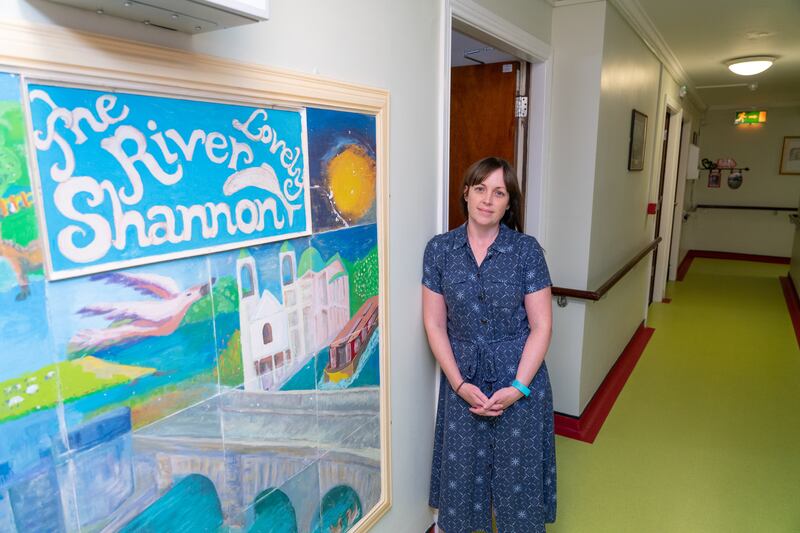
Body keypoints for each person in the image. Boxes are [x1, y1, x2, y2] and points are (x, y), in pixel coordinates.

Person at [422, 156, 556, 533]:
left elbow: (542, 326)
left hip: (519, 377)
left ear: (509, 203)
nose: (487, 199)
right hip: (463, 379)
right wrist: (459, 384)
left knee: (518, 483)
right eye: (480, 188)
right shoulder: (439, 250)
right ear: (465, 192)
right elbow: (434, 324)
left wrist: (518, 387)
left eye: (499, 192)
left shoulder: (526, 251)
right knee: (462, 478)